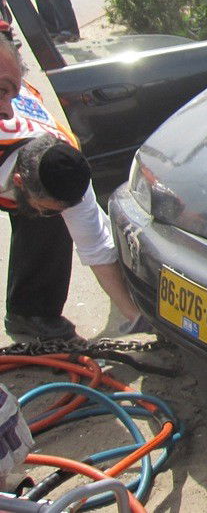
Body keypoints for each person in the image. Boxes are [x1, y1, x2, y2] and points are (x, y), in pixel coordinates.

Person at [0, 29, 142, 340]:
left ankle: (31, 312)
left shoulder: (64, 158)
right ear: (19, 183)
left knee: (54, 219)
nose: (7, 107)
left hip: (29, 161)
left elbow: (95, 244)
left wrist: (134, 314)